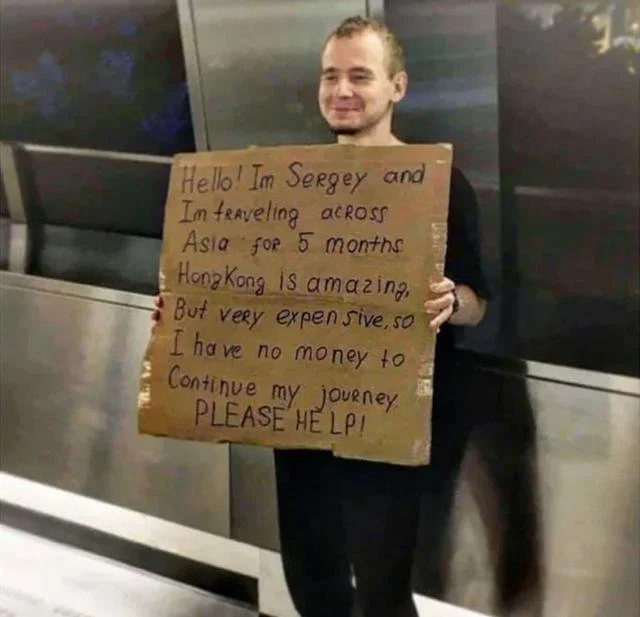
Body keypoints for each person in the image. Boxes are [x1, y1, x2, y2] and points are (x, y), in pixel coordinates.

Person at [154, 16, 490, 617]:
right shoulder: (282, 185)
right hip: (299, 416)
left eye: (360, 76)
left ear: (397, 87)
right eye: (330, 76)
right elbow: (250, 290)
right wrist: (190, 311)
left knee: (383, 594)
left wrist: (452, 301)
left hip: (387, 420)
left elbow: (478, 302)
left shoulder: (439, 182)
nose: (342, 90)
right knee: (310, 581)